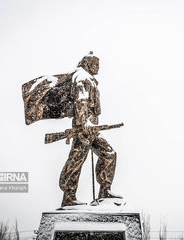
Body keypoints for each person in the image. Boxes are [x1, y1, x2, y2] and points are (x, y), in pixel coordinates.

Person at [59, 52, 122, 207]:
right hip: (84, 129)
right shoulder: (82, 77)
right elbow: (81, 100)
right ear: (87, 64)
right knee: (76, 161)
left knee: (108, 154)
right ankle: (69, 196)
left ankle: (104, 191)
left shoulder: (88, 79)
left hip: (91, 129)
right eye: (96, 64)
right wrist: (83, 123)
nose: (98, 67)